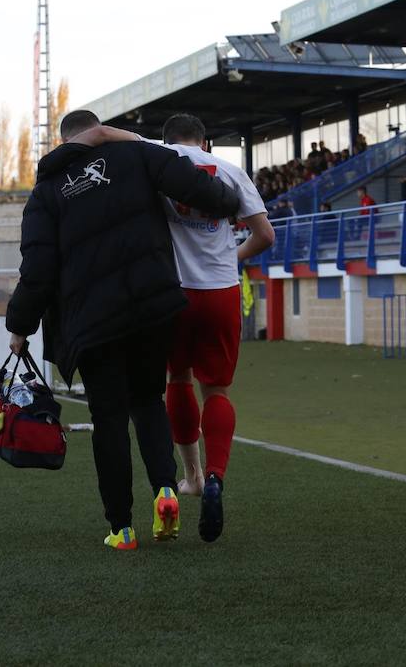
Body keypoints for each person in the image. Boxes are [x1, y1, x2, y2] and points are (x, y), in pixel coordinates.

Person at [5, 109, 240, 551]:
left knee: (108, 420)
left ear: (64, 142)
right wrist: (230, 204)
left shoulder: (46, 192)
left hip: (92, 324)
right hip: (152, 310)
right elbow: (192, 185)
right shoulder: (135, 156)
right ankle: (166, 491)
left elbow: (37, 270)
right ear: (100, 133)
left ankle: (122, 528)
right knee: (148, 401)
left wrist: (20, 327)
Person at [78, 113, 274, 542]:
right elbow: (265, 236)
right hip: (221, 291)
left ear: (168, 140)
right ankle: (218, 476)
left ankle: (193, 477)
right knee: (217, 390)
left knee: (177, 380)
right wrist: (229, 258)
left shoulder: (158, 157)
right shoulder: (231, 171)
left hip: (172, 294)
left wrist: (74, 149)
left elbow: (104, 133)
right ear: (204, 142)